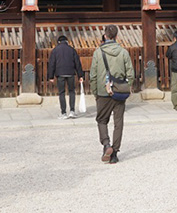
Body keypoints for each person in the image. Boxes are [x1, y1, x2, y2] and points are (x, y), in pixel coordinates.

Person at [89, 24, 134, 164]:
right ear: (116, 36)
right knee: (118, 122)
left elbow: (93, 75)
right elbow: (130, 74)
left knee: (102, 120)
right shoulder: (123, 52)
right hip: (119, 91)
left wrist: (95, 92)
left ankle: (106, 144)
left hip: (103, 92)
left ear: (105, 36)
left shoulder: (98, 52)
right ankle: (115, 153)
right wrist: (126, 86)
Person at [48, 34, 83, 118]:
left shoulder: (55, 50)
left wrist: (51, 76)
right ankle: (72, 111)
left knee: (61, 93)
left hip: (60, 74)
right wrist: (80, 75)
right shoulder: (72, 50)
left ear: (58, 42)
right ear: (67, 41)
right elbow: (77, 63)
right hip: (71, 73)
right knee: (72, 92)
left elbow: (52, 64)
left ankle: (63, 112)